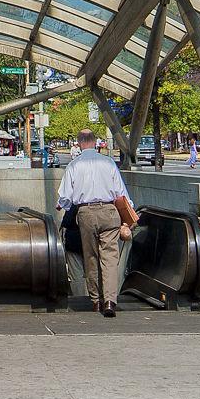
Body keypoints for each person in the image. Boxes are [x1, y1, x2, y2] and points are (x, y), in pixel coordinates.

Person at [56, 127, 138, 316]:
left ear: (79, 143)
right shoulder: (108, 163)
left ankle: (95, 300)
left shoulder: (74, 165)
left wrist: (62, 204)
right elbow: (121, 193)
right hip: (110, 211)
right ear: (95, 143)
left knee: (91, 256)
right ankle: (110, 300)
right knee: (110, 257)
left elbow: (66, 197)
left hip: (86, 213)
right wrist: (129, 214)